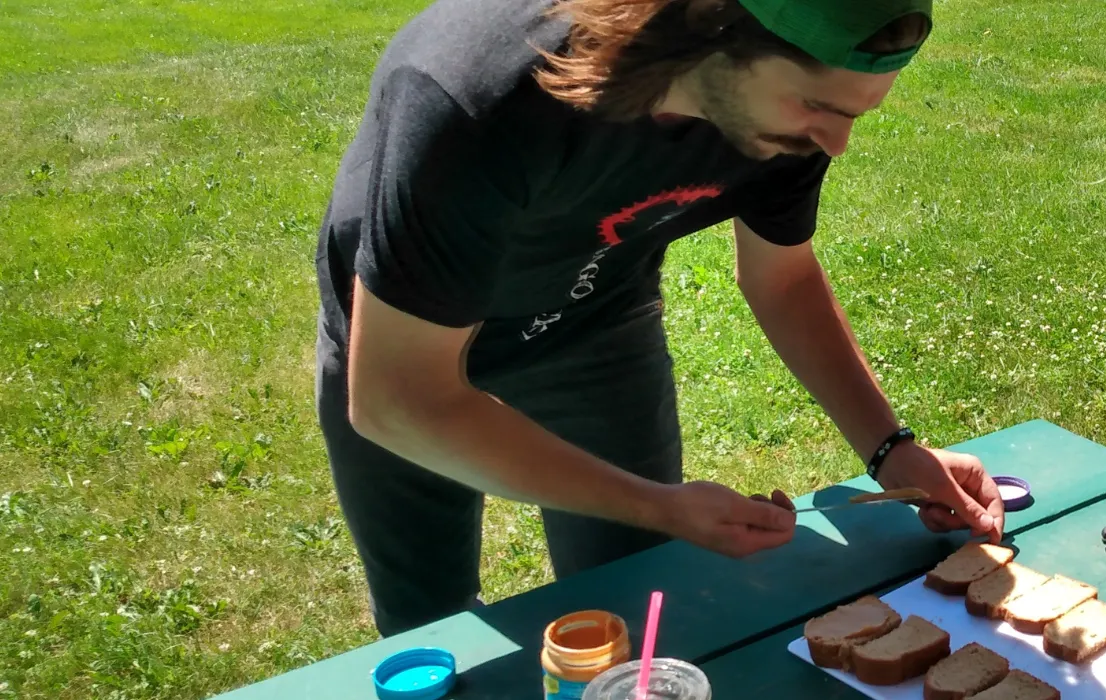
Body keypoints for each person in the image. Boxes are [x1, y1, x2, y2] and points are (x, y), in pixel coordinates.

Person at [314, 0, 1004, 637]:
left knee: (631, 596)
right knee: (431, 631)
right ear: (714, 32)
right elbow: (398, 401)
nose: (837, 143)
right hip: (402, 343)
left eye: (855, 114)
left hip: (595, 325)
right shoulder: (478, 95)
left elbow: (783, 278)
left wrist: (891, 451)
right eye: (819, 106)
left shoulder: (792, 123)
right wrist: (659, 504)